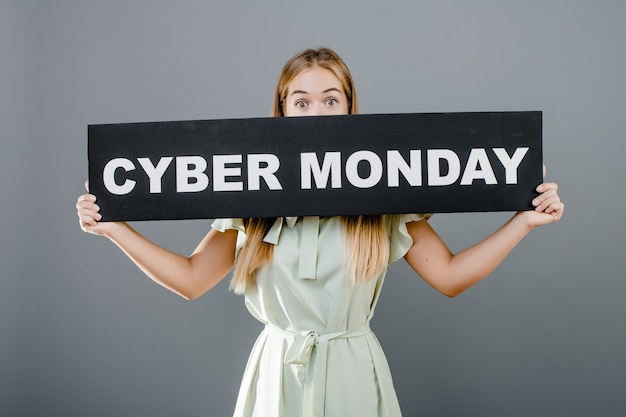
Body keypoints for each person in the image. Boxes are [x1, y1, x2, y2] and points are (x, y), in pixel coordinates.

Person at [76, 47, 564, 417]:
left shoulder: (385, 193)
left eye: (331, 100)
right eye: (301, 101)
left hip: (354, 371)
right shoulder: (247, 194)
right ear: (282, 111)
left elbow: (452, 276)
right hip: (275, 376)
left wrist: (524, 221)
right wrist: (116, 228)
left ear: (350, 110)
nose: (316, 114)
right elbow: (190, 279)